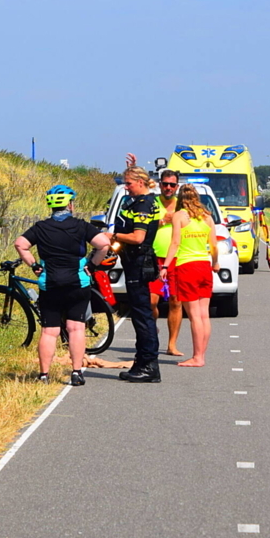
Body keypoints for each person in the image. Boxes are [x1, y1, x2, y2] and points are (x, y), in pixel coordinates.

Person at [14, 185, 111, 386]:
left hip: (50, 284)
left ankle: (44, 376)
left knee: (50, 330)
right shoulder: (81, 226)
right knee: (76, 328)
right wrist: (91, 265)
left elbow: (20, 244)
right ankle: (76, 372)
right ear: (70, 204)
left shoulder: (40, 227)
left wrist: (34, 265)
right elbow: (103, 244)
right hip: (77, 283)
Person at [112, 157, 162, 382]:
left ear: (141, 182)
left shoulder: (143, 204)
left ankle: (148, 365)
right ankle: (141, 362)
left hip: (139, 263)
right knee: (139, 315)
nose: (126, 187)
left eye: (129, 183)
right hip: (134, 262)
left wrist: (112, 236)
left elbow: (138, 236)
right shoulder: (141, 200)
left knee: (142, 317)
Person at [161, 183, 219, 367]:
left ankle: (197, 357)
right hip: (204, 265)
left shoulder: (179, 216)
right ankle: (202, 354)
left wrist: (165, 265)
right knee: (204, 315)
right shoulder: (207, 218)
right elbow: (214, 245)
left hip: (187, 267)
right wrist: (215, 262)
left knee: (194, 315)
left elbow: (175, 243)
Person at [149, 169, 184, 356]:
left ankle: (172, 344)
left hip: (178, 258)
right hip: (154, 258)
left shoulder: (182, 205)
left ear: (177, 187)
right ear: (160, 184)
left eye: (172, 184)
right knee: (150, 301)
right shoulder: (152, 203)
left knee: (176, 302)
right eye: (165, 184)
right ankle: (153, 329)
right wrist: (162, 221)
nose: (168, 187)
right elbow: (142, 224)